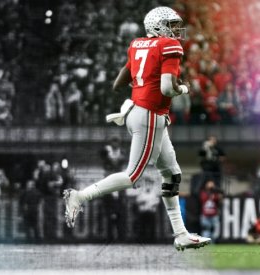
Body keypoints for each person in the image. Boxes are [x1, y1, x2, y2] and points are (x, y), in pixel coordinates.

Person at [63, 6, 211, 251]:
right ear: (158, 25)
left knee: (172, 174)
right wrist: (182, 89)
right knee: (132, 176)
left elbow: (119, 81)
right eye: (172, 25)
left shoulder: (137, 44)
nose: (176, 30)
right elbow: (166, 89)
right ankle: (79, 196)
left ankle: (181, 233)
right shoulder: (168, 46)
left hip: (138, 111)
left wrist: (143, 84)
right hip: (150, 115)